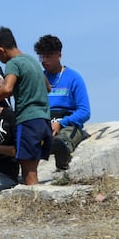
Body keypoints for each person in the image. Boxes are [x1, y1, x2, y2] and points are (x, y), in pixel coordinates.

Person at [0, 27, 52, 185]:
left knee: (28, 172)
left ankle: (34, 206)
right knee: (33, 167)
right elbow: (48, 87)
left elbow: (6, 88)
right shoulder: (31, 60)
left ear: (1, 50)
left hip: (28, 121)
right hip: (44, 120)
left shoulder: (13, 63)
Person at [34, 35, 91, 170]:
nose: (44, 61)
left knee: (63, 140)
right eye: (42, 57)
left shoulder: (73, 78)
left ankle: (63, 158)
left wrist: (61, 123)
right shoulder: (38, 78)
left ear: (59, 55)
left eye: (48, 56)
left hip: (66, 123)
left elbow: (85, 111)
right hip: (45, 122)